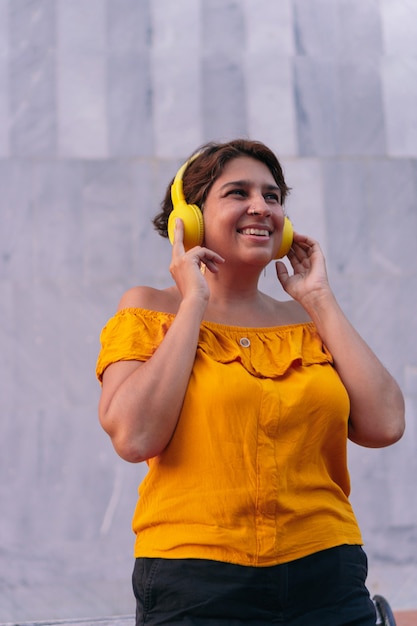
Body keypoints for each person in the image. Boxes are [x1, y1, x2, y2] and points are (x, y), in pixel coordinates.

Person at [96, 139, 405, 625]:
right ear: (191, 220)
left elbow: (386, 424)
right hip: (196, 579)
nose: (261, 206)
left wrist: (319, 298)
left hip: (327, 570)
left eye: (274, 196)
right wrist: (193, 301)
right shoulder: (150, 310)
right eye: (238, 192)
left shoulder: (307, 320)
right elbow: (134, 437)